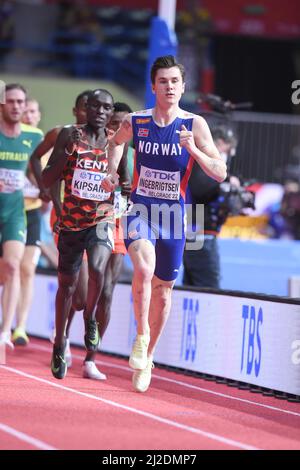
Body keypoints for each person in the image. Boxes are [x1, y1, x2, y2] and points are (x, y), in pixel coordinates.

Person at [102, 55, 227, 392]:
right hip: (140, 210)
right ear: (153, 86)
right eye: (163, 81)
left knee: (164, 290)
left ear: (182, 87)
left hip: (174, 218)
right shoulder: (137, 121)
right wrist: (114, 172)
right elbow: (115, 142)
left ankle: (150, 356)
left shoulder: (195, 124)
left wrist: (195, 152)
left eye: (175, 82)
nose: (169, 87)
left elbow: (220, 171)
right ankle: (141, 336)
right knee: (144, 268)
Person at [42, 89, 115, 380]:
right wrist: (67, 152)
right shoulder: (69, 134)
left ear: (111, 113)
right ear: (85, 108)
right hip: (71, 222)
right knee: (68, 287)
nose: (99, 110)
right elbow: (48, 179)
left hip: (101, 219)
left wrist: (116, 187)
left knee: (98, 269)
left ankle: (89, 321)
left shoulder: (114, 142)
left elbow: (123, 181)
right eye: (94, 105)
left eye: (106, 107)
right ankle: (60, 341)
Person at [0, 83, 43, 348]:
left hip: (15, 212)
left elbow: (38, 173)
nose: (17, 107)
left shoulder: (33, 137)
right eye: (12, 101)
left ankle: (7, 332)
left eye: (21, 102)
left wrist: (45, 191)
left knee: (15, 267)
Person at [183, 125, 238, 288]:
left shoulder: (199, 158)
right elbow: (200, 188)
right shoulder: (202, 160)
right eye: (229, 148)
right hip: (198, 230)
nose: (231, 153)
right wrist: (224, 183)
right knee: (209, 288)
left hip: (197, 229)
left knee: (192, 287)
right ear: (220, 143)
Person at [11, 98, 44, 346]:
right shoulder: (12, 143)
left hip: (31, 214)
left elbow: (48, 184)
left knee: (27, 269)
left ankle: (20, 327)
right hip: (9, 212)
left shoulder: (46, 146)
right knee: (8, 269)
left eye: (33, 111)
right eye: (26, 111)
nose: (29, 115)